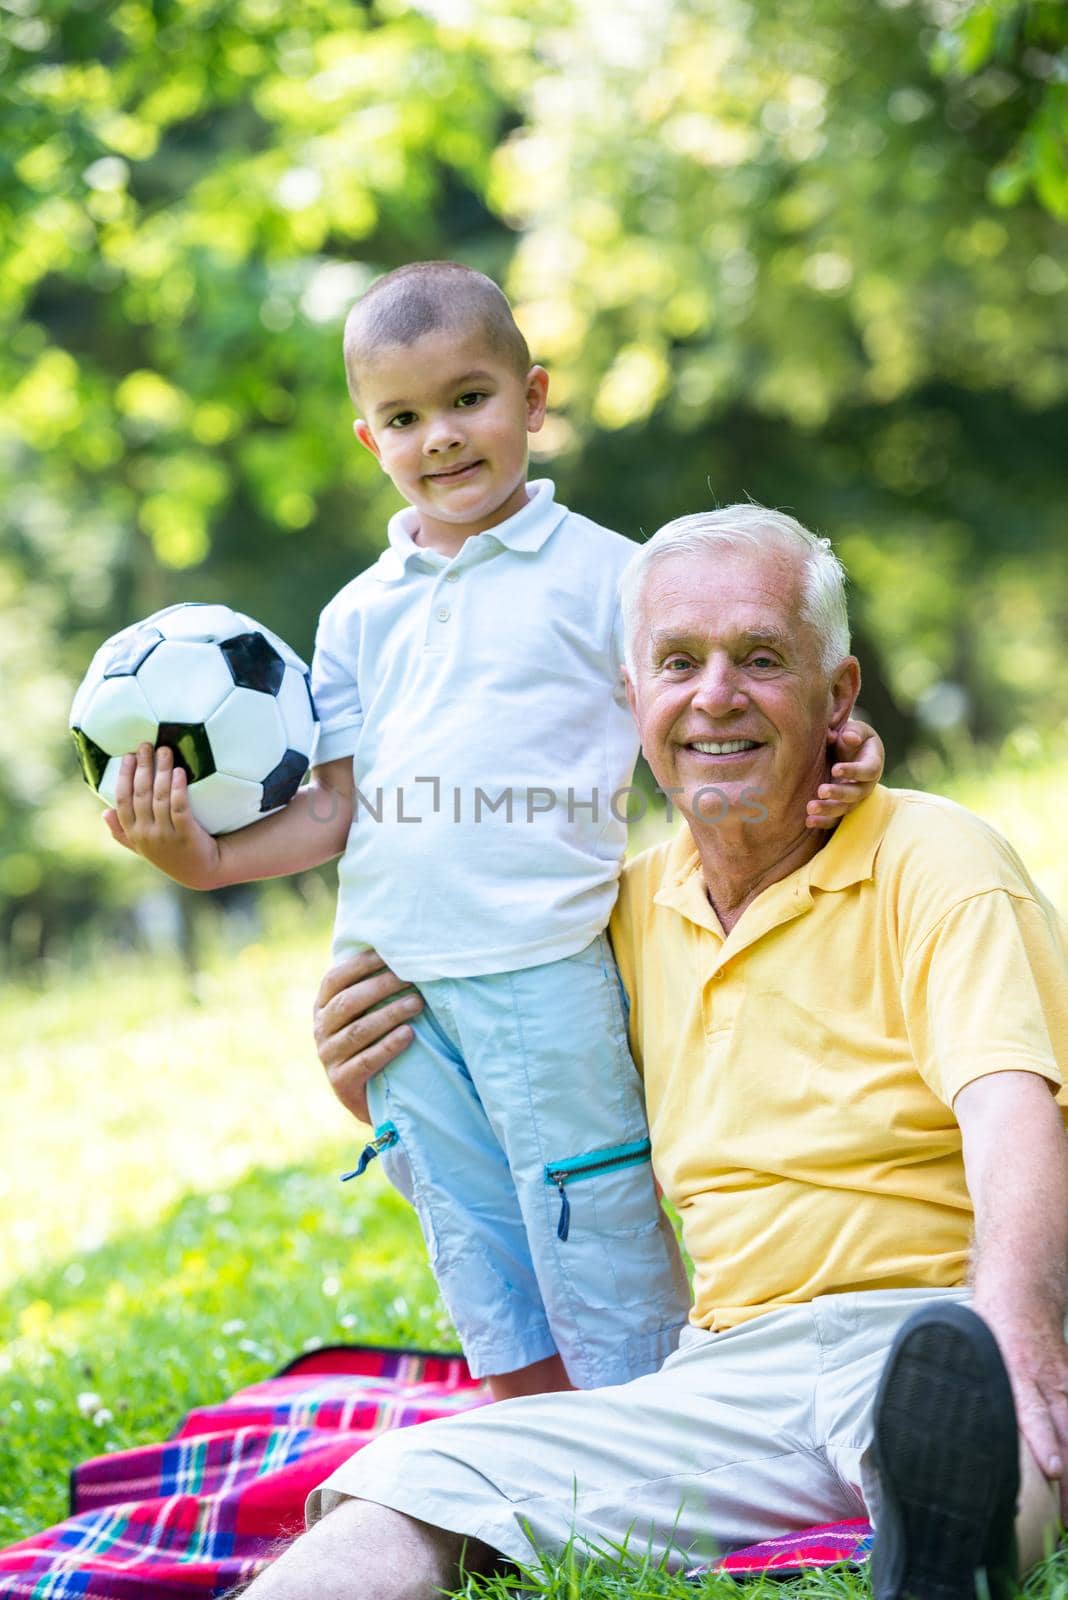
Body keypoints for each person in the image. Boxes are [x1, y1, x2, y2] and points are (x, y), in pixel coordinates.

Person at [247, 506, 1068, 1600]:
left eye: (761, 659)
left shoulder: (936, 856)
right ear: (632, 697)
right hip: (725, 1374)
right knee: (408, 1481)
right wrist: (379, 1080)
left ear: (838, 696)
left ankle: (942, 1558)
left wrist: (1016, 1334)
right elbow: (534, 1107)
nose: (714, 694)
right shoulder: (608, 913)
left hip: (937, 1325)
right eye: (678, 661)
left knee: (976, 1438)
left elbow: (1016, 1115)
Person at [102, 262, 883, 1403]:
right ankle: (525, 1430)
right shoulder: (357, 612)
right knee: (466, 1224)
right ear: (368, 439)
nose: (443, 438)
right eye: (406, 417)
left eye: (470, 399)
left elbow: (696, 732)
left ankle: (645, 1426)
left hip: (545, 964)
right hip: (393, 977)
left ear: (534, 398)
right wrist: (202, 858)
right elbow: (333, 805)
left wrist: (832, 753)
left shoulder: (612, 578)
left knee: (592, 1204)